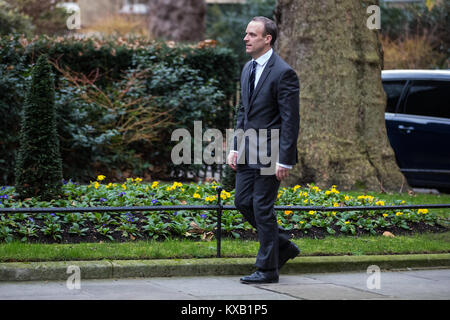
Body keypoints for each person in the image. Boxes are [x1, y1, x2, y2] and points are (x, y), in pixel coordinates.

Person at [227, 16, 300, 284]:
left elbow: (291, 120)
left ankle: (268, 269)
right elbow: (243, 111)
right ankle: (283, 246)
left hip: (271, 153)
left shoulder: (284, 73)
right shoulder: (248, 69)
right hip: (247, 150)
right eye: (246, 33)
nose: (246, 38)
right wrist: (235, 147)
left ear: (267, 39)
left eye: (252, 34)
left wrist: (286, 159)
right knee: (242, 202)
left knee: (261, 206)